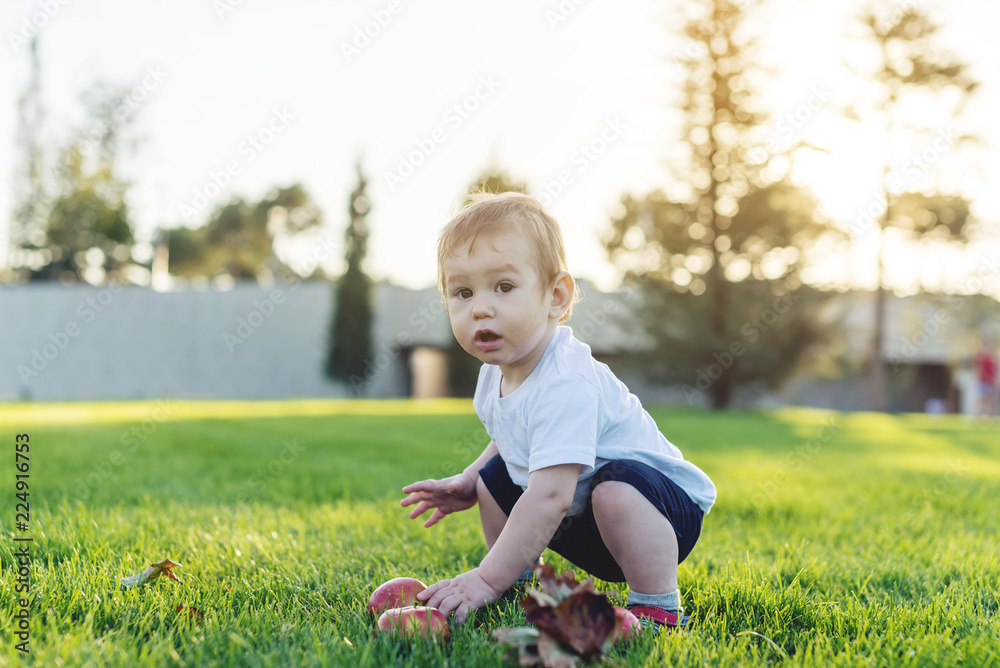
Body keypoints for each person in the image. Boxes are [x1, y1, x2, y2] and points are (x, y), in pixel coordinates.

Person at [400, 192, 717, 629]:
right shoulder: (494, 373)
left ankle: (656, 605)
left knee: (613, 489)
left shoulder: (567, 379)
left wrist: (483, 580)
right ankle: (521, 583)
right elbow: (512, 437)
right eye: (462, 292)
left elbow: (551, 495)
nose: (481, 307)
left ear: (556, 296)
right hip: (587, 520)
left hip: (659, 515)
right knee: (495, 481)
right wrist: (471, 479)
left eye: (504, 287)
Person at [974, 336, 998, 419]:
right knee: (982, 400)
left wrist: (995, 380)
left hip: (990, 381)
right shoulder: (980, 356)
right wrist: (977, 380)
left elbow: (995, 370)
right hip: (982, 381)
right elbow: (978, 369)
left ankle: (990, 417)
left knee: (991, 400)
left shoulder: (993, 357)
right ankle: (979, 416)